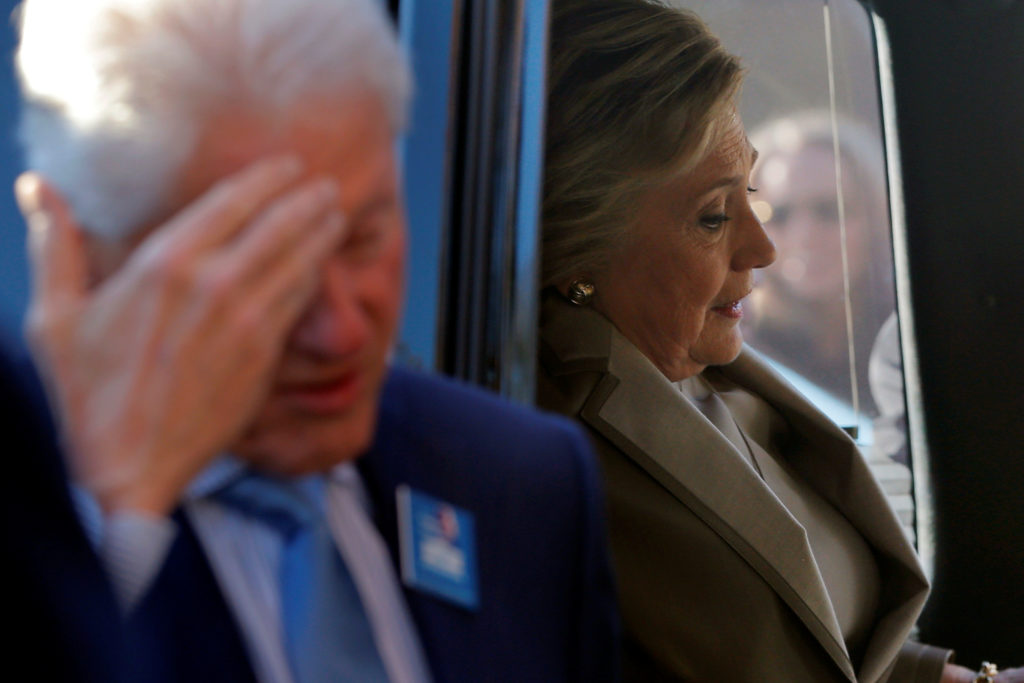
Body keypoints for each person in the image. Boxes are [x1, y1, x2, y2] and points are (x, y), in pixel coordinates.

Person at [13, 0, 618, 681]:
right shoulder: (49, 526)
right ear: (82, 255)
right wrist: (112, 517)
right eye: (263, 268)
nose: (342, 331)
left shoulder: (521, 482)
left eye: (363, 238)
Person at [536, 0, 1020, 681]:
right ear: (581, 241)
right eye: (712, 217)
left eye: (750, 194)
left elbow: (813, 634)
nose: (764, 248)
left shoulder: (706, 372)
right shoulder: (555, 445)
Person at [742, 110, 895, 419]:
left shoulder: (907, 334)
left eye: (829, 210)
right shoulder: (735, 345)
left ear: (875, 218)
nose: (804, 236)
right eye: (779, 215)